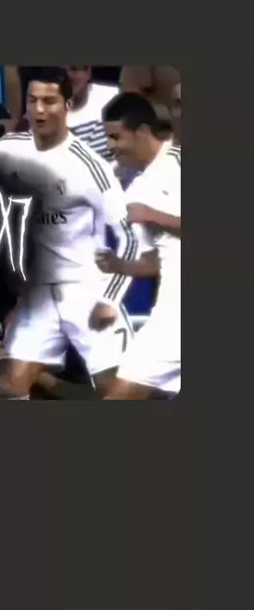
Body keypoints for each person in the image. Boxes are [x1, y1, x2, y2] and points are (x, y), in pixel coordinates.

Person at [0, 67, 139, 400]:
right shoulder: (7, 150)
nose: (38, 110)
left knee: (118, 392)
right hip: (38, 293)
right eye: (32, 100)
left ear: (67, 106)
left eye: (49, 101)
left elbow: (129, 239)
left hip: (86, 287)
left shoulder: (90, 165)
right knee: (9, 386)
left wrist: (110, 298)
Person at [96, 93, 180, 400]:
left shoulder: (179, 162)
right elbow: (157, 262)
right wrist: (121, 266)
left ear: (142, 131)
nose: (111, 146)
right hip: (169, 311)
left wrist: (154, 216)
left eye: (116, 137)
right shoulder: (137, 189)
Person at [64, 65, 118, 161]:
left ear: (88, 71)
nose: (68, 76)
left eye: (74, 69)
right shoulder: (44, 111)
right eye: (62, 71)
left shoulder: (113, 98)